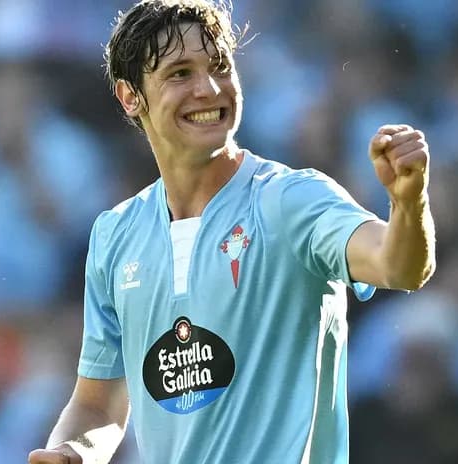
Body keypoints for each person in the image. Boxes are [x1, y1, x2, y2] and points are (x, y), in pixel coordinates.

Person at [28, 1, 436, 463]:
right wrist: (72, 452)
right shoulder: (115, 235)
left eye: (220, 66)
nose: (208, 88)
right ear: (130, 97)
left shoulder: (291, 201)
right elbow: (98, 404)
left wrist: (409, 202)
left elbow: (400, 267)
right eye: (180, 73)